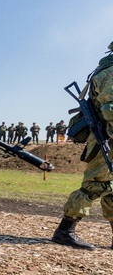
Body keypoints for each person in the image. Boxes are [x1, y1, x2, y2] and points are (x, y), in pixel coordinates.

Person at [52, 41, 113, 250]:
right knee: (96, 184)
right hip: (107, 137)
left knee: (111, 188)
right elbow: (110, 109)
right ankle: (64, 231)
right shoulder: (111, 70)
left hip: (108, 135)